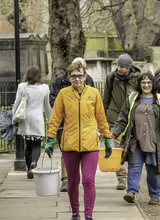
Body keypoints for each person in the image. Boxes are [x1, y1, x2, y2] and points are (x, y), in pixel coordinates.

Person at [45, 62, 112, 220]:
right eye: (74, 76)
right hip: (69, 144)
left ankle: (88, 216)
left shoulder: (94, 93)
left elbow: (101, 118)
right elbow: (55, 118)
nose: (77, 79)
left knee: (89, 181)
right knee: (73, 181)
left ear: (85, 76)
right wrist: (50, 138)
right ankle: (75, 212)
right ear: (68, 77)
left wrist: (107, 138)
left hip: (90, 144)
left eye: (80, 76)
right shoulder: (63, 94)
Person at [111, 72, 160, 205]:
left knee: (153, 170)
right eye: (143, 82)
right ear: (139, 84)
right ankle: (131, 193)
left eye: (149, 82)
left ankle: (154, 195)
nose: (146, 85)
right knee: (134, 167)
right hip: (135, 141)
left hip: (154, 142)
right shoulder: (132, 98)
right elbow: (122, 118)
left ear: (153, 84)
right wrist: (114, 132)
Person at [49, 57, 94, 192]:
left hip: (85, 126)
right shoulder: (59, 81)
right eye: (77, 72)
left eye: (83, 72)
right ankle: (66, 179)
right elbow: (53, 100)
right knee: (66, 152)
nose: (79, 77)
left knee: (85, 153)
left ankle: (84, 179)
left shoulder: (89, 80)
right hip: (65, 124)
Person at [103, 53, 141, 190]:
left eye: (122, 67)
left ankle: (133, 179)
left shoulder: (138, 79)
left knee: (133, 150)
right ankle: (122, 179)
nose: (119, 68)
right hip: (114, 118)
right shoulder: (111, 78)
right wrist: (103, 119)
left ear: (129, 67)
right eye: (118, 65)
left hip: (133, 120)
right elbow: (106, 99)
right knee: (118, 150)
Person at [12, 66, 52, 179]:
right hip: (38, 119)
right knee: (37, 145)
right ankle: (34, 162)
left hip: (25, 119)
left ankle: (29, 168)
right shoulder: (44, 88)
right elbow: (47, 106)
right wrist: (50, 120)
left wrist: (13, 117)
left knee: (28, 145)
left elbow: (17, 103)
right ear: (39, 75)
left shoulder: (22, 86)